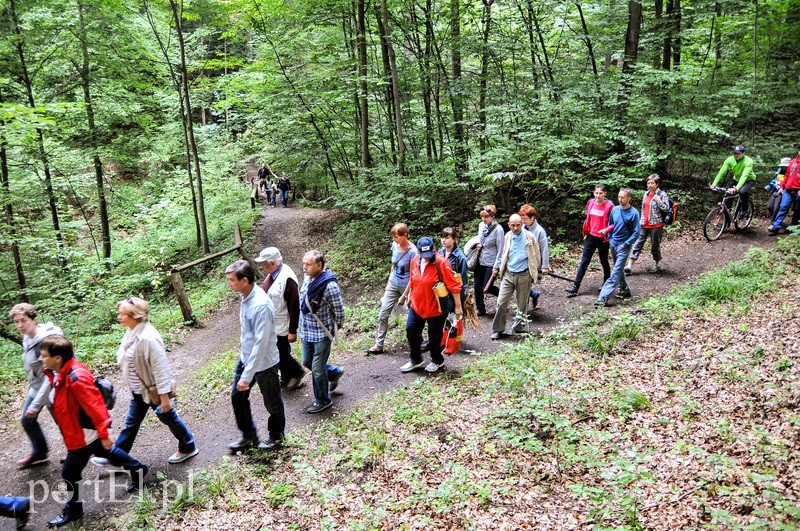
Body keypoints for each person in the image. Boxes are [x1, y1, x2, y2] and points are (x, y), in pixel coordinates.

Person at [40, 336, 149, 528]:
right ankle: (138, 468)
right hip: (78, 431)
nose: (41, 359)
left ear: (57, 358)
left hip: (83, 435)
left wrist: (104, 434)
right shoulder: (61, 372)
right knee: (103, 451)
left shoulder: (76, 377)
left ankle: (74, 510)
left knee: (70, 471)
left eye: (44, 356)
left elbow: (96, 406)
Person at [91, 297, 197, 468]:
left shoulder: (149, 338)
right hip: (139, 391)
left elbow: (161, 370)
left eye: (122, 314)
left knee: (169, 418)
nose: (119, 317)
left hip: (154, 392)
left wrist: (164, 399)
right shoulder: (132, 331)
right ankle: (118, 457)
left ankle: (188, 446)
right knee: (131, 424)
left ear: (136, 316)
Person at [225, 260, 286, 453]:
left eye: (231, 280)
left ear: (244, 280)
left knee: (272, 402)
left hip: (264, 363)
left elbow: (261, 344)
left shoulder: (261, 305)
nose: (229, 284)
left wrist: (247, 376)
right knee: (237, 397)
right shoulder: (245, 297)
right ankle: (249, 436)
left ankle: (276, 436)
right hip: (246, 359)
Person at [8, 303, 64, 469]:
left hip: (50, 389)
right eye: (16, 322)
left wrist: (37, 403)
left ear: (35, 320)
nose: (19, 325)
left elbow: (51, 375)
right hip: (36, 387)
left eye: (23, 321)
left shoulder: (44, 343)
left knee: (63, 423)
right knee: (27, 420)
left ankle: (78, 450)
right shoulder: (27, 337)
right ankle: (40, 451)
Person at [397, 237, 463, 372]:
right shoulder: (415, 260)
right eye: (423, 255)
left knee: (434, 336)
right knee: (411, 330)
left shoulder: (441, 262)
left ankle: (437, 360)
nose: (426, 258)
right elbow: (413, 280)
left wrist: (458, 306)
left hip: (436, 308)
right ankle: (416, 359)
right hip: (417, 305)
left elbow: (454, 286)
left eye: (429, 255)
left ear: (433, 250)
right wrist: (407, 296)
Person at [299, 250, 346, 413]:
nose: (304, 267)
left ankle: (323, 400)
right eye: (304, 263)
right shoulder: (307, 279)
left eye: (308, 264)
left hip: (321, 334)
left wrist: (334, 329)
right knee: (306, 362)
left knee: (317, 369)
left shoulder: (330, 286)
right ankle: (334, 372)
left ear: (319, 265)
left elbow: (339, 311)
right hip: (307, 332)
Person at [254, 247, 307, 389]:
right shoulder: (273, 274)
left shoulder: (287, 279)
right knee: (279, 351)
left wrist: (292, 330)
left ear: (272, 263)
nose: (262, 267)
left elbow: (295, 306)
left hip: (282, 324)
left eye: (264, 264)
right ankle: (287, 377)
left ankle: (297, 372)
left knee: (281, 353)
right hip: (273, 323)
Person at [365, 224, 418, 354]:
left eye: (396, 236)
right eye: (393, 236)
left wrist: (405, 295)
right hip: (393, 284)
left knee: (415, 314)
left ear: (405, 235)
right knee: (383, 313)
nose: (394, 239)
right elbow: (393, 265)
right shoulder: (394, 246)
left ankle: (417, 342)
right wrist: (388, 283)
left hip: (408, 286)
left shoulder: (413, 251)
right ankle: (379, 344)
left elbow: (413, 274)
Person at [490, 215, 541, 339]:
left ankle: (519, 327)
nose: (515, 227)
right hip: (508, 274)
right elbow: (503, 253)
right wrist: (498, 267)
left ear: (522, 223)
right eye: (513, 225)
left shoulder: (530, 237)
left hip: (524, 274)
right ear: (509, 225)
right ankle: (498, 329)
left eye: (518, 224)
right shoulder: (507, 236)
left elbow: (536, 255)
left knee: (522, 302)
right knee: (501, 302)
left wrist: (533, 270)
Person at [567, 184, 615, 297]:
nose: (598, 195)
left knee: (604, 261)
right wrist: (586, 232)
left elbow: (613, 223)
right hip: (591, 237)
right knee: (584, 261)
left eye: (600, 193)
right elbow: (588, 219)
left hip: (603, 238)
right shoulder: (591, 202)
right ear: (593, 193)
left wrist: (606, 231)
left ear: (605, 194)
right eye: (596, 193)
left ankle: (606, 284)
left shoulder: (609, 206)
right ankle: (576, 286)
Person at [595, 189, 640, 307]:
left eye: (623, 197)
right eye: (619, 197)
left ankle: (603, 298)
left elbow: (636, 232)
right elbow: (611, 224)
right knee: (618, 269)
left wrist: (626, 243)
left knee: (615, 272)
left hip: (624, 246)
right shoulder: (615, 210)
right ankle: (624, 290)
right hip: (613, 244)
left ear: (629, 198)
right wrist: (609, 237)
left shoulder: (634, 213)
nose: (620, 199)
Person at [625, 175, 670, 274]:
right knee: (637, 244)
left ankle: (656, 264)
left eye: (652, 183)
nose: (650, 185)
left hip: (656, 225)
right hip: (644, 224)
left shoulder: (662, 194)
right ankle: (629, 266)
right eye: (648, 183)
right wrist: (640, 221)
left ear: (657, 184)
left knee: (655, 246)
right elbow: (644, 209)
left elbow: (666, 209)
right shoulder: (646, 194)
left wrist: (658, 200)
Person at [469, 205, 504, 316]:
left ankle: (503, 296)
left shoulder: (498, 230)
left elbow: (501, 249)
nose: (484, 220)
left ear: (492, 216)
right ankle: (480, 308)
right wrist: (477, 245)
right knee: (477, 286)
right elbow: (479, 239)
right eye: (482, 217)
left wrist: (497, 266)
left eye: (486, 217)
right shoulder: (481, 226)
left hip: (491, 262)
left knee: (487, 287)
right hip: (480, 260)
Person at [711, 145, 757, 217]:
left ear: (743, 153)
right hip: (736, 179)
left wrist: (736, 188)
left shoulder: (749, 161)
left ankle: (744, 209)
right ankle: (727, 221)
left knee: (742, 191)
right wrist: (714, 183)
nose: (736, 155)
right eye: (735, 153)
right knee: (728, 197)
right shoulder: (729, 160)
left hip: (748, 180)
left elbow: (744, 176)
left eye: (738, 153)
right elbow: (721, 172)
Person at [519, 205, 549, 309]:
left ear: (532, 218)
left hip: (533, 263)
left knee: (524, 286)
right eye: (522, 218)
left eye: (525, 219)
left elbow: (544, 249)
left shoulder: (539, 231)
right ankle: (534, 294)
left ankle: (523, 311)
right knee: (521, 285)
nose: (523, 221)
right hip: (521, 261)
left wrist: (545, 266)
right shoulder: (521, 228)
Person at [769, 147, 800, 235]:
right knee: (783, 207)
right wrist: (781, 186)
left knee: (797, 210)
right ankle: (776, 226)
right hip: (788, 189)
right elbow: (786, 176)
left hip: (798, 191)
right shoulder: (793, 162)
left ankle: (793, 226)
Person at [438, 227, 468, 297]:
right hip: (442, 289)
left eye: (447, 238)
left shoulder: (460, 257)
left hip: (455, 290)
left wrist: (463, 294)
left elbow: (464, 278)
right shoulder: (440, 252)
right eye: (442, 238)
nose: (443, 240)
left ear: (454, 239)